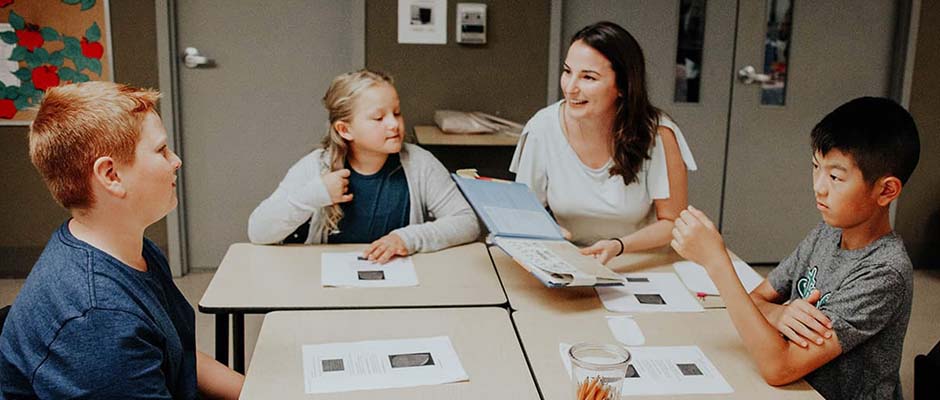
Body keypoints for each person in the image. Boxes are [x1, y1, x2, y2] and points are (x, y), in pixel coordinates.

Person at [0, 82, 244, 398]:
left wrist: (263, 392)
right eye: (161, 150)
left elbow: (178, 356)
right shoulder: (97, 319)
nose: (176, 160)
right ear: (111, 176)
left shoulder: (130, 249)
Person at [671, 97, 919, 399]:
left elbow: (780, 367)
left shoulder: (884, 273)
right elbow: (757, 298)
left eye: (836, 177)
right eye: (816, 167)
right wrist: (777, 315)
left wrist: (716, 262)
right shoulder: (827, 233)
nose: (818, 185)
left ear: (886, 190)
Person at [510, 21, 696, 264]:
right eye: (567, 72)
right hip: (569, 260)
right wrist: (549, 233)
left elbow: (672, 223)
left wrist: (618, 246)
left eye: (588, 77)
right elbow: (524, 214)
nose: (571, 88)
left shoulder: (659, 134)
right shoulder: (541, 128)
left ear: (622, 86)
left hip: (639, 262)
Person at [248, 69, 479, 262]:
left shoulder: (420, 163)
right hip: (330, 290)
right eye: (378, 118)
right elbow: (258, 232)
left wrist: (406, 239)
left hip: (401, 288)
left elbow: (466, 221)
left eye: (396, 113)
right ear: (345, 130)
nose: (393, 124)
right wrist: (314, 194)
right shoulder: (316, 166)